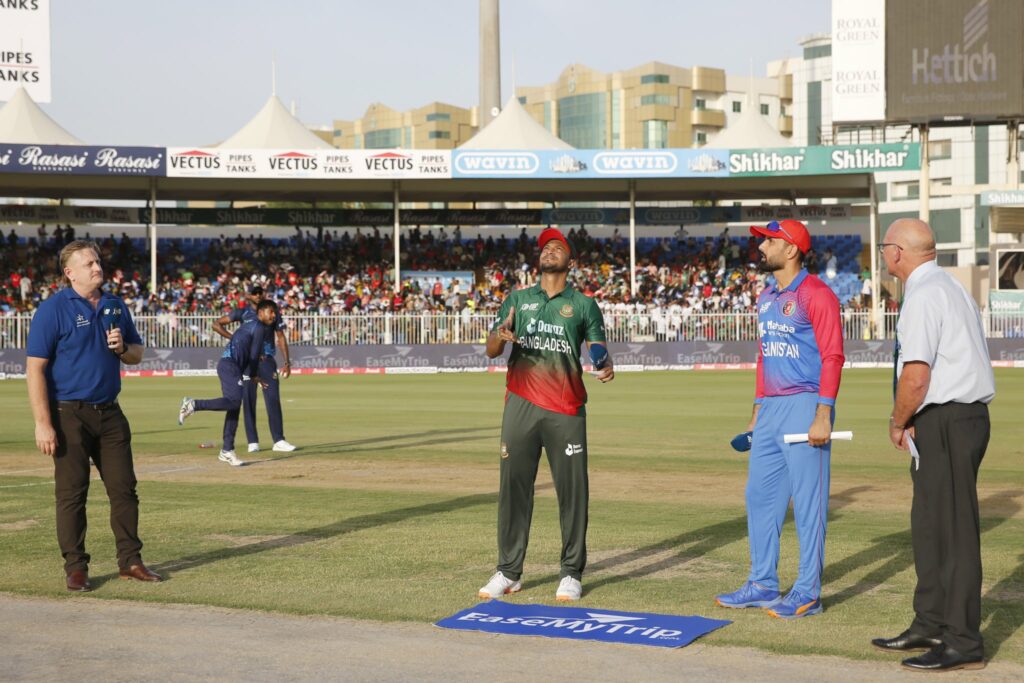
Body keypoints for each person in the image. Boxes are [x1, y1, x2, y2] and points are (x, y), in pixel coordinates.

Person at [871, 219, 994, 672]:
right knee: (928, 525)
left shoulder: (924, 295)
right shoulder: (950, 286)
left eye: (884, 247)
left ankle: (963, 641)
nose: (882, 255)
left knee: (953, 532)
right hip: (951, 418)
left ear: (898, 252)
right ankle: (930, 622)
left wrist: (897, 420)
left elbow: (917, 376)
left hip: (948, 418)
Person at [477, 227, 614, 603]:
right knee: (513, 489)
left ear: (571, 262)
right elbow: (491, 349)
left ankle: (571, 572)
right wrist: (499, 336)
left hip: (566, 408)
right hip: (520, 403)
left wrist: (604, 363)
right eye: (544, 248)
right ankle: (508, 571)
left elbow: (598, 347)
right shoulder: (518, 300)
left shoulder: (583, 304)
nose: (549, 251)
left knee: (572, 493)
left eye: (557, 248)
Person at [715, 219, 844, 619]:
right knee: (760, 497)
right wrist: (756, 412)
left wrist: (823, 412)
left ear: (791, 249)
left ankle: (808, 592)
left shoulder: (817, 294)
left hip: (806, 404)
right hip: (770, 409)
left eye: (769, 241)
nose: (762, 247)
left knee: (808, 504)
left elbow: (833, 356)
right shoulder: (767, 297)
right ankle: (763, 583)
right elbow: (763, 356)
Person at [26, 240, 162, 592]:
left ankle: (130, 561)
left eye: (97, 261)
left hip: (110, 413)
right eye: (87, 263)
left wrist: (123, 349)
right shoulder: (53, 309)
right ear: (70, 272)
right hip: (68, 414)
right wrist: (43, 423)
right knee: (72, 493)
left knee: (124, 490)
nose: (96, 267)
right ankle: (76, 568)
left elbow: (136, 353)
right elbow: (35, 369)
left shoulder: (115, 305)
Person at [178, 299, 281, 467]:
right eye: (271, 312)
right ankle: (193, 404)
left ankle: (227, 450)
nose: (274, 315)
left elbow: (249, 350)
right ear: (261, 313)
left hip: (230, 365)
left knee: (234, 405)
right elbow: (254, 356)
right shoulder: (260, 328)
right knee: (233, 401)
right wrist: (255, 375)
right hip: (230, 365)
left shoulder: (251, 322)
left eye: (275, 312)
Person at [212, 286, 295, 454]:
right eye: (254, 293)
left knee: (273, 399)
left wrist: (286, 361)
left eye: (260, 293)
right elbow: (216, 324)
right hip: (249, 362)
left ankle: (278, 440)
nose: (258, 295)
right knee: (248, 401)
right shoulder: (242, 313)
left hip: (267, 361)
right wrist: (233, 338)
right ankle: (252, 441)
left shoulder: (271, 313)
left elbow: (280, 336)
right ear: (248, 295)